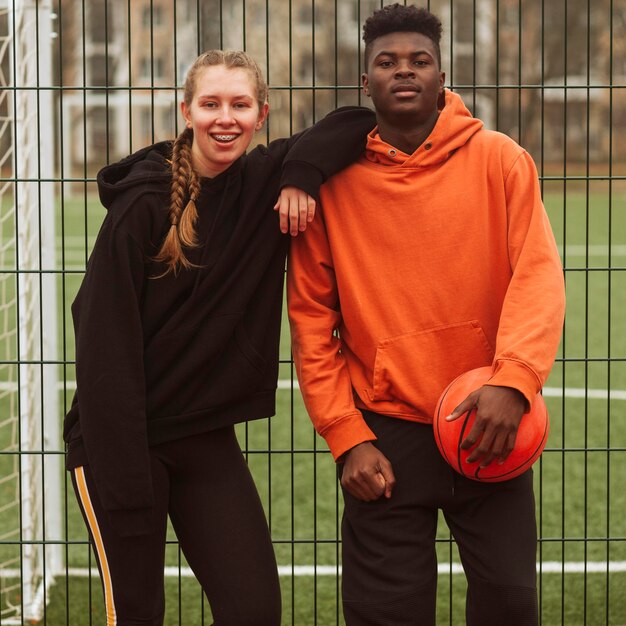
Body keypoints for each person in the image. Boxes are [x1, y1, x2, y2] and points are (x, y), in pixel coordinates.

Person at [63, 49, 375, 626]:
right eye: (210, 104)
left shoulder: (261, 183)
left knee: (254, 609)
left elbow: (358, 121)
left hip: (202, 435)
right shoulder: (142, 206)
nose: (224, 118)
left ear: (262, 115)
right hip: (118, 444)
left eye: (240, 104)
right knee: (136, 613)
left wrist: (301, 174)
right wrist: (129, 487)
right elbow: (103, 348)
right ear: (186, 111)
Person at [287, 4, 565, 626]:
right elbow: (311, 321)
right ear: (366, 83)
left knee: (511, 603)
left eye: (419, 60)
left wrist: (514, 381)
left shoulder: (501, 159)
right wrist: (345, 436)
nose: (403, 71)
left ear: (443, 76)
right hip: (383, 435)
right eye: (386, 62)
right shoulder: (330, 183)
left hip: (488, 420)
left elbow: (538, 279)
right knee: (388, 612)